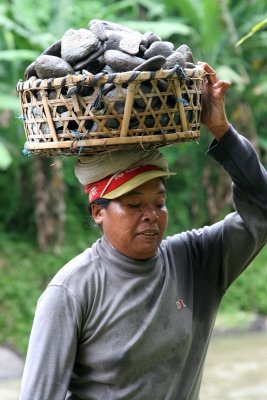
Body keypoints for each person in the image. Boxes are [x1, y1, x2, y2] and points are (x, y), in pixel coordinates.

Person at [19, 63, 267, 400]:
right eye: (134, 205)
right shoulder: (73, 291)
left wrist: (221, 129)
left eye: (159, 202)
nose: (151, 215)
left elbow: (262, 208)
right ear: (98, 213)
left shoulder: (195, 263)